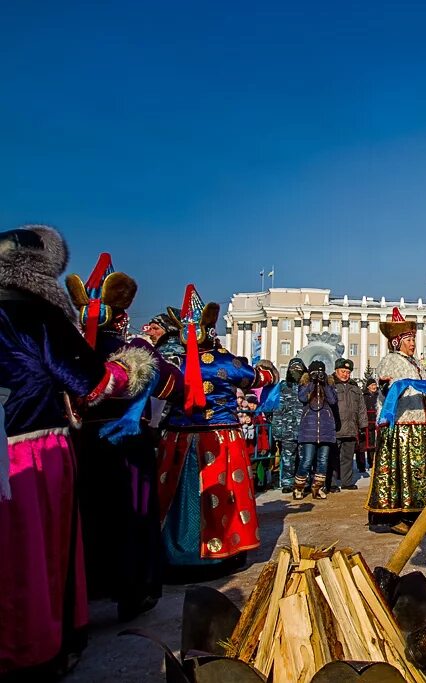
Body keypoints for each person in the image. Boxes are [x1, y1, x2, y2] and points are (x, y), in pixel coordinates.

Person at [0, 226, 156, 678]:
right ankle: (36, 648)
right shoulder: (38, 317)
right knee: (34, 551)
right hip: (30, 450)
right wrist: (131, 367)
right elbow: (93, 385)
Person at [65, 253, 183, 623]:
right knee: (130, 515)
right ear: (122, 316)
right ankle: (134, 590)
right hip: (126, 445)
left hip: (82, 442)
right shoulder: (138, 351)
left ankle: (89, 586)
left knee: (88, 513)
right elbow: (172, 387)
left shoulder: (70, 349)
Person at [156, 284, 278, 571]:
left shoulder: (174, 362)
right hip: (219, 439)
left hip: (178, 439)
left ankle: (176, 552)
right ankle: (222, 550)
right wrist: (269, 370)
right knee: (223, 495)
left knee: (178, 495)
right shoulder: (227, 362)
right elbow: (261, 377)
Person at [367, 308, 426, 535]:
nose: (412, 344)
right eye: (408, 340)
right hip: (401, 427)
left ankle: (419, 514)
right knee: (402, 473)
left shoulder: (416, 364)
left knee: (418, 473)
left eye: (413, 339)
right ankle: (398, 516)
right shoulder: (390, 361)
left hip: (419, 425)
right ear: (397, 342)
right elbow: (387, 389)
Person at [295, 360, 337, 500]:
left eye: (321, 372)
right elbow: (302, 398)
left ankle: (317, 488)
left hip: (325, 428)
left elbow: (332, 401)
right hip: (309, 428)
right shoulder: (305, 384)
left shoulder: (329, 384)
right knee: (307, 460)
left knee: (323, 460)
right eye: (315, 372)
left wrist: (324, 384)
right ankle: (299, 488)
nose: (318, 375)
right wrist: (312, 383)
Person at [330, 358, 367, 491]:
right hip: (335, 429)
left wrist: (363, 425)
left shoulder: (355, 388)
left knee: (347, 457)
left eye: (348, 372)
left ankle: (347, 481)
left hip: (351, 428)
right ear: (336, 371)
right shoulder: (331, 385)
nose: (345, 374)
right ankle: (332, 483)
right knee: (333, 457)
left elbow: (361, 408)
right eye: (343, 371)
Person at [278, 357, 307, 494]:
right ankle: (287, 482)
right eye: (293, 369)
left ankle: (302, 482)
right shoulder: (283, 387)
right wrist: (277, 430)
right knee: (287, 458)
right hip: (287, 429)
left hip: (304, 430)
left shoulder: (307, 386)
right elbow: (277, 409)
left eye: (299, 369)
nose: (296, 372)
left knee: (304, 458)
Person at [360, 379, 379, 471]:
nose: (374, 387)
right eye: (372, 385)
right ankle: (371, 462)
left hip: (377, 422)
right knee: (369, 442)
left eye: (375, 384)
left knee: (377, 442)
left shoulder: (379, 396)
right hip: (368, 422)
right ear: (368, 387)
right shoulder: (364, 396)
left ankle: (377, 461)